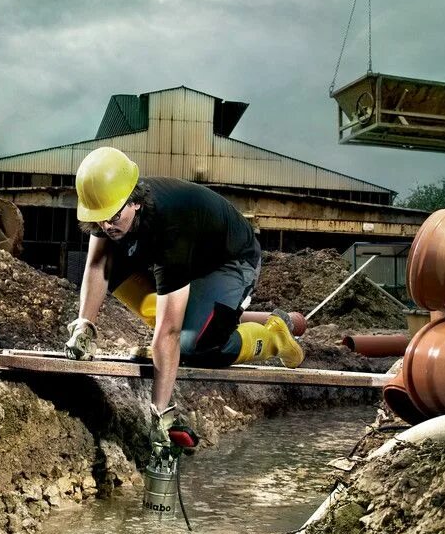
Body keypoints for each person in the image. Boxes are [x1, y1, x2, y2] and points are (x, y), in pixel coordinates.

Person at [63, 146, 303, 451]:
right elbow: (98, 266)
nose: (106, 226)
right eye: (98, 221)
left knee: (193, 345)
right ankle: (214, 318)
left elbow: (170, 331)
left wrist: (160, 414)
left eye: (112, 217)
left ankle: (273, 336)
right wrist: (85, 327)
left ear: (135, 202)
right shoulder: (110, 204)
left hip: (229, 260)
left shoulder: (169, 227)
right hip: (191, 256)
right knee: (118, 271)